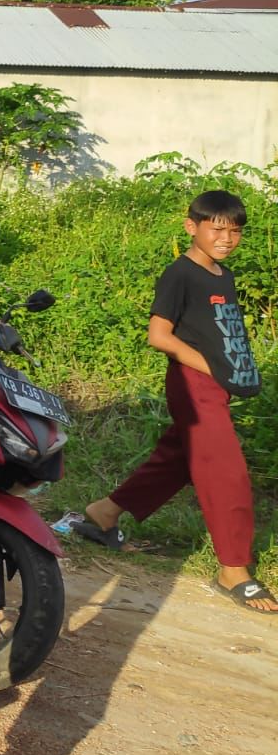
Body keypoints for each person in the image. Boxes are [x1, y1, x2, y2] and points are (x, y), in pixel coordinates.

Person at [70, 190, 272, 613]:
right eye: (216, 228)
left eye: (235, 231)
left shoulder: (223, 275)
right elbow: (159, 336)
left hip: (214, 385)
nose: (226, 238)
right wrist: (212, 370)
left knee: (178, 458)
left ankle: (103, 513)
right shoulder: (180, 274)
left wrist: (230, 376)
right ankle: (233, 568)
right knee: (227, 471)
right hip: (192, 384)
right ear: (191, 227)